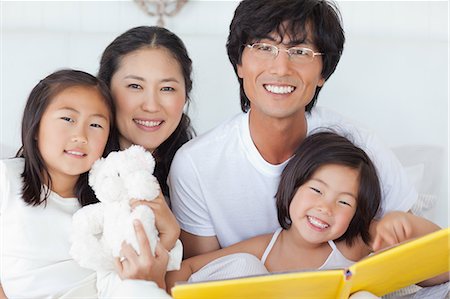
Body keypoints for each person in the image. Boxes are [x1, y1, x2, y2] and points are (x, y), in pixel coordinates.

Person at [168, 0, 419, 259]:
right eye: (264, 47)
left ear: (323, 72)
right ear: (240, 63)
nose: (280, 68)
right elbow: (201, 278)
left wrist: (404, 227)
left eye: (300, 52)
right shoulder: (196, 165)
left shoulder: (358, 147)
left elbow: (425, 262)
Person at [166, 132, 447, 292]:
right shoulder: (264, 249)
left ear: (356, 214)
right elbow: (190, 268)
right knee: (244, 267)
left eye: (345, 202)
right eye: (316, 190)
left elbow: (441, 268)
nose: (325, 208)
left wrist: (406, 223)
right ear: (293, 187)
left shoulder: (357, 242)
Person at [0, 69, 122, 297]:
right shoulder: (6, 179)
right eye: (68, 119)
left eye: (96, 125)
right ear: (35, 126)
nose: (81, 136)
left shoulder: (109, 203)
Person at [94, 25, 195, 296]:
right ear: (105, 89)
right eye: (135, 86)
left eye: (167, 88)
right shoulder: (77, 166)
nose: (151, 105)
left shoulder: (192, 174)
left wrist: (170, 236)